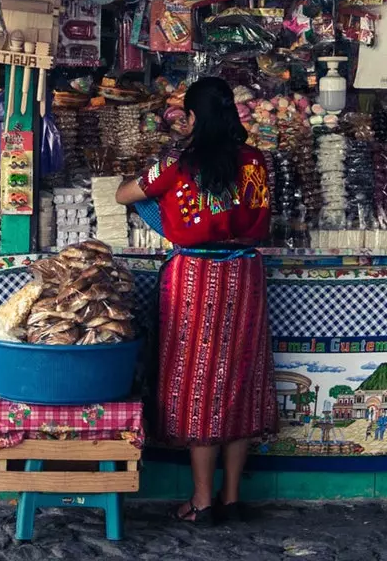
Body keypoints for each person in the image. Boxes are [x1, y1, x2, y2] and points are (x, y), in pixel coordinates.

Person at [115, 76, 276, 526]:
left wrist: (163, 213)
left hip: (197, 277)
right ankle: (230, 497)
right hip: (245, 274)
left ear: (192, 116)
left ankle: (201, 501)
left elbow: (123, 194)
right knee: (241, 378)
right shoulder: (255, 161)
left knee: (200, 382)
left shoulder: (178, 162)